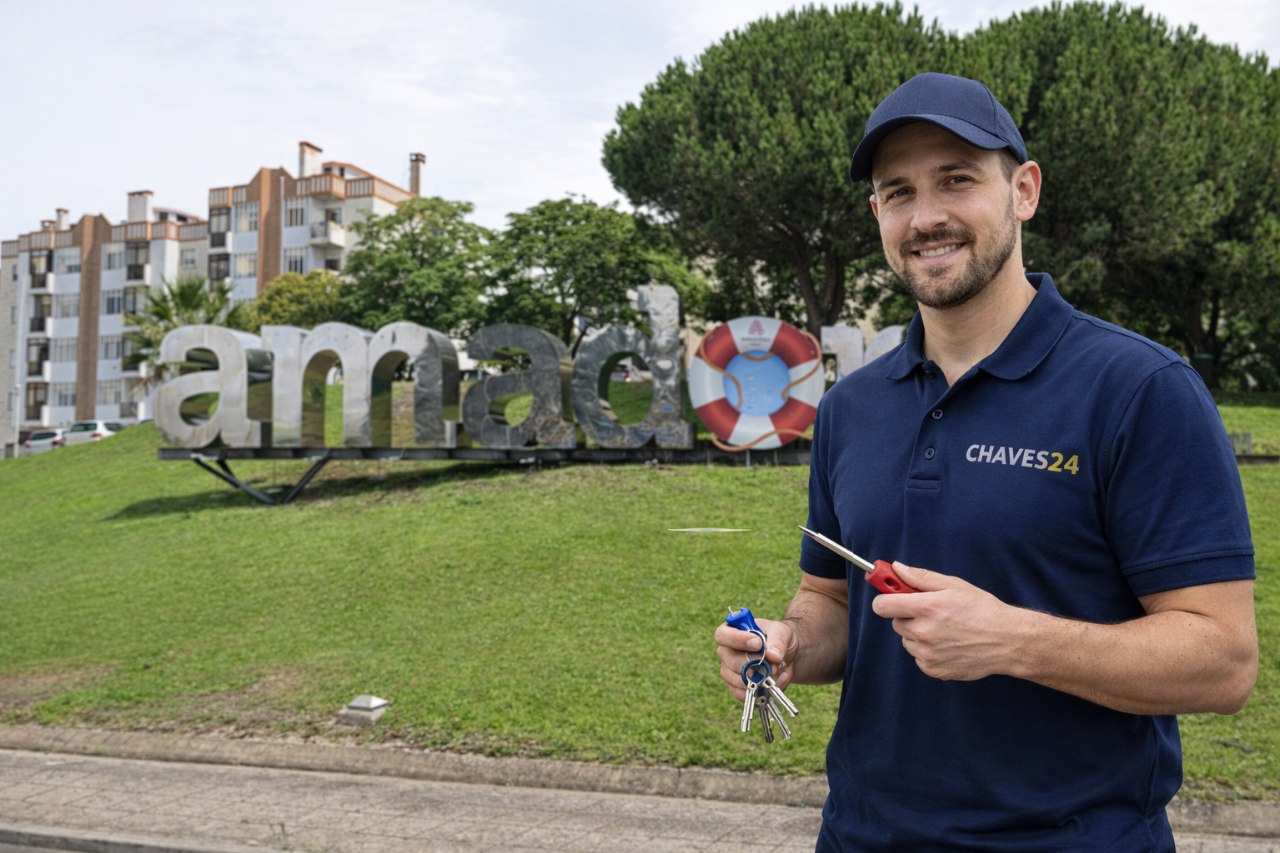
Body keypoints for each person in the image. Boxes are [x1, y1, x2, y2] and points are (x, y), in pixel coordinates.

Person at [714, 72, 1258, 852]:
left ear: (1024, 191)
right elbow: (830, 601)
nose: (926, 215)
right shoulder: (850, 407)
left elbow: (1223, 660)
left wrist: (1012, 640)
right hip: (859, 835)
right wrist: (789, 643)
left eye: (957, 179)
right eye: (897, 192)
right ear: (878, 215)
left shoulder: (1141, 389)